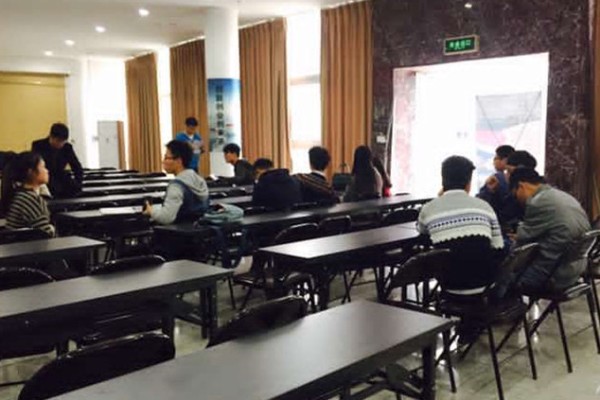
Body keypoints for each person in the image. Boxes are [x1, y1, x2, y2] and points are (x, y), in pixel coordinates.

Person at [418, 155, 504, 295]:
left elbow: (422, 234)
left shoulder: (428, 209)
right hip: (487, 286)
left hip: (450, 286)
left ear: (443, 180)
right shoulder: (484, 207)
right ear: (469, 183)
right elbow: (499, 247)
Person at [507, 168, 590, 291]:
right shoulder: (563, 196)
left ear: (521, 186)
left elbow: (521, 245)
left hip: (553, 275)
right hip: (575, 270)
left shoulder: (537, 202)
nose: (517, 200)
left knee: (502, 279)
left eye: (515, 195)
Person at [143, 140, 209, 225]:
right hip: (198, 229)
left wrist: (151, 210)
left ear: (178, 161)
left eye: (166, 158)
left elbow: (166, 218)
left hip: (179, 231)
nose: (163, 161)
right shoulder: (199, 179)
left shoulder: (176, 187)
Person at [1, 152, 55, 236]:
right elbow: (46, 233)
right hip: (29, 243)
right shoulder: (30, 199)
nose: (47, 171)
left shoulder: (19, 194)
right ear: (31, 172)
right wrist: (53, 228)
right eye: (43, 167)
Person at [31, 123, 83, 198]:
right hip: (46, 182)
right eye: (58, 141)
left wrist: (78, 183)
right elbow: (34, 168)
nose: (61, 144)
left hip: (62, 179)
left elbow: (77, 167)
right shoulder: (38, 146)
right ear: (51, 137)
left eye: (63, 141)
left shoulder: (67, 147)